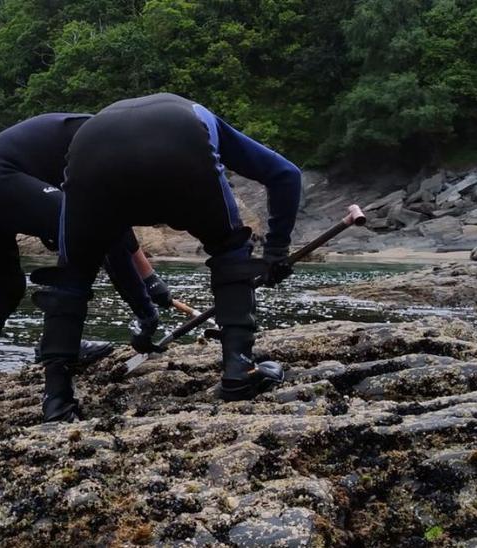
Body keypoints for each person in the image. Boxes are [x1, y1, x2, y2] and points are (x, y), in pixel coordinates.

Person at [30, 93, 302, 422]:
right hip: (182, 143)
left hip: (90, 153)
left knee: (72, 276)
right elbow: (286, 174)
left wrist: (145, 312)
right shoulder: (201, 116)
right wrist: (275, 252)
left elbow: (107, 250)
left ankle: (56, 401)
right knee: (230, 248)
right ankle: (239, 371)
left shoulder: (100, 123)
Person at [0, 113, 175, 383]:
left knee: (6, 288)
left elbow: (119, 227)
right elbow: (105, 234)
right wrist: (145, 310)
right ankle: (56, 346)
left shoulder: (116, 143)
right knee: (88, 231)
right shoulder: (112, 144)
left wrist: (151, 281)